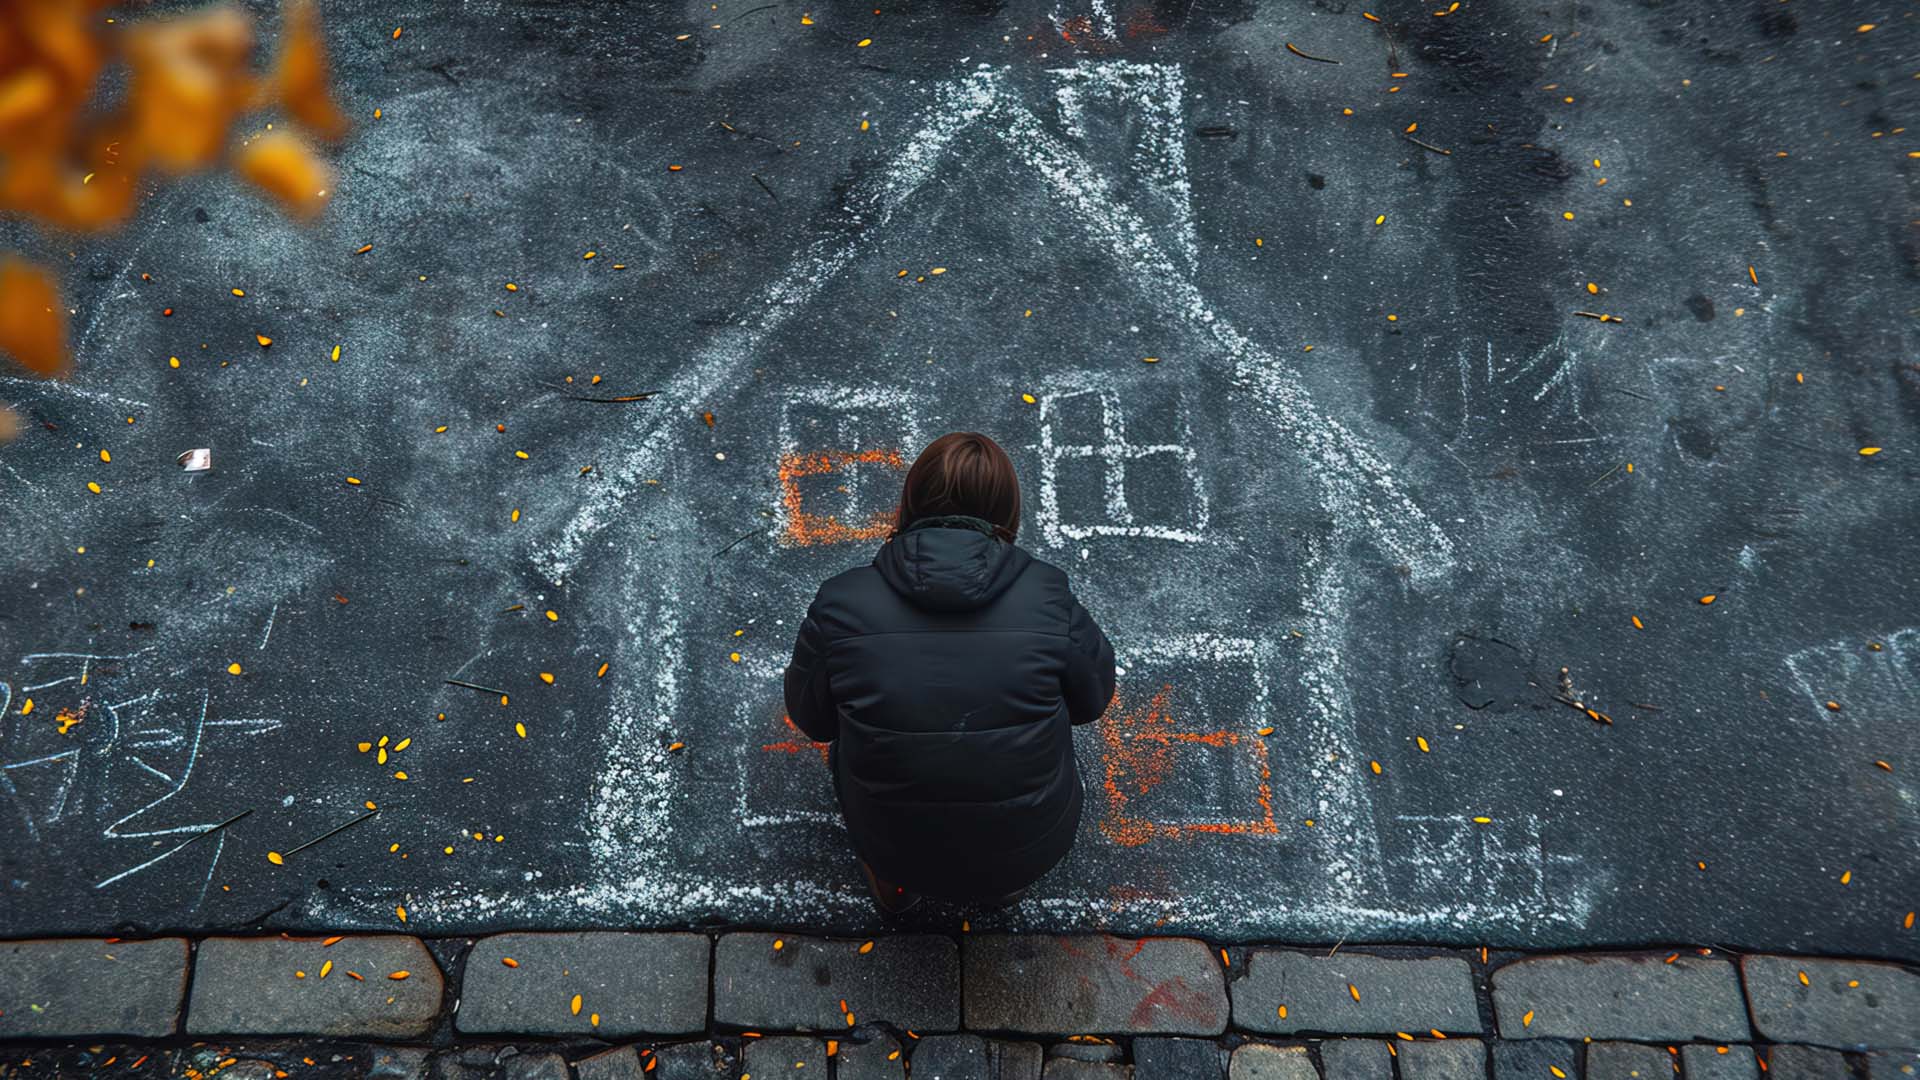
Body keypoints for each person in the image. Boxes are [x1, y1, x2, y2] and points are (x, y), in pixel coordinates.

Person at [782, 431, 1117, 914]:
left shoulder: (842, 602)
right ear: (1007, 513)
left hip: (892, 846)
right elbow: (1092, 702)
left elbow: (813, 721)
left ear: (910, 504)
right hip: (1029, 847)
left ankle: (897, 888)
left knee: (847, 741)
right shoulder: (1049, 594)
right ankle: (1003, 888)